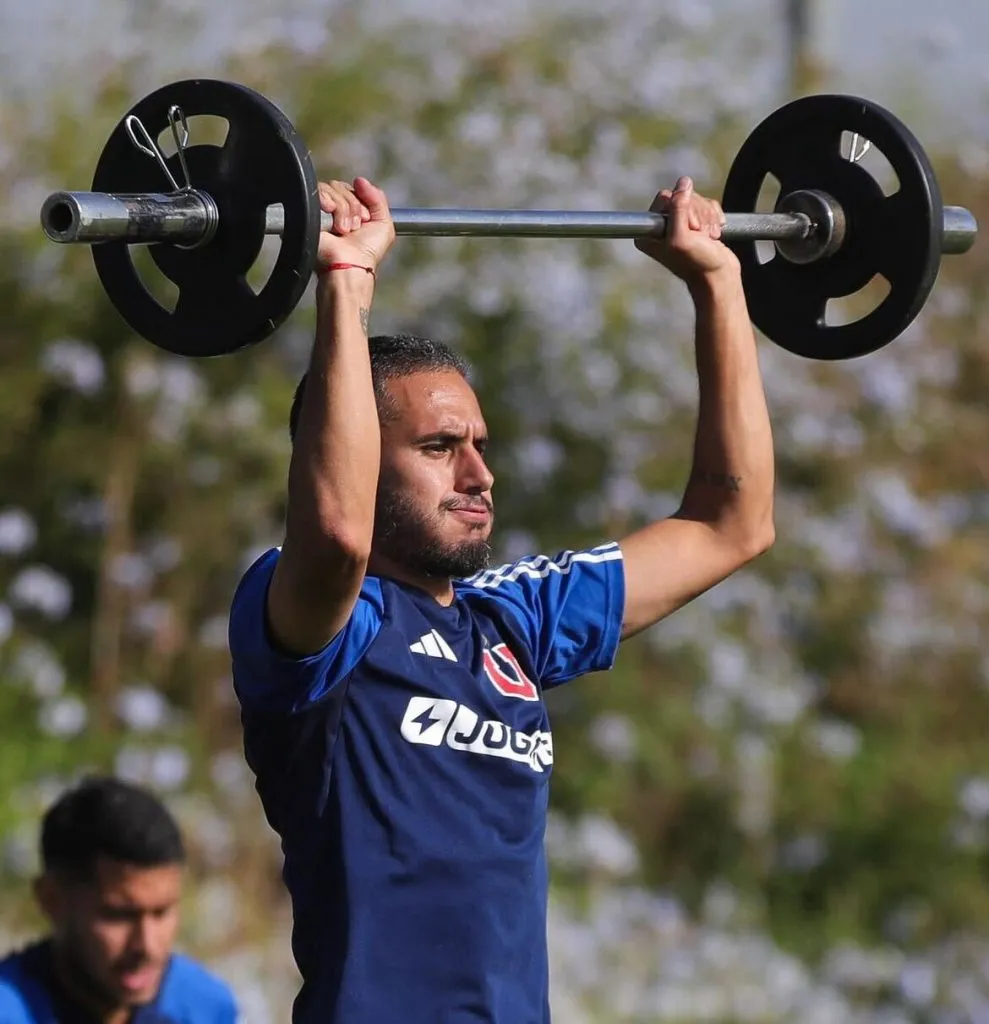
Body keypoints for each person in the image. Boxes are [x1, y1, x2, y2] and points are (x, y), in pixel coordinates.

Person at [228, 173, 775, 1023]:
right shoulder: (315, 625)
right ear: (363, 455)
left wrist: (717, 281)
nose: (480, 474)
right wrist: (343, 285)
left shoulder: (511, 621)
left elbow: (729, 524)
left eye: (479, 445)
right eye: (440, 447)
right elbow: (337, 535)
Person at [0, 775, 238, 1024]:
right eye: (119, 916)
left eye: (161, 912)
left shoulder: (205, 1009)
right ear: (51, 899)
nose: (147, 945)